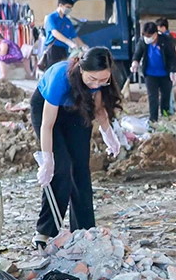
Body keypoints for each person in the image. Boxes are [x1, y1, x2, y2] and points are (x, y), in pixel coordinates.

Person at [32, 47, 122, 248]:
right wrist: (47, 160)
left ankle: (84, 230)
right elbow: (47, 124)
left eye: (103, 80)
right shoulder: (60, 78)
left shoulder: (98, 81)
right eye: (92, 79)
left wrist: (110, 137)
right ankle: (45, 231)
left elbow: (99, 110)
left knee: (80, 167)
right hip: (47, 110)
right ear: (81, 69)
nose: (97, 84)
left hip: (76, 109)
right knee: (61, 167)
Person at [131, 22, 176, 123]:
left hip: (165, 74)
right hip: (150, 74)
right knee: (152, 97)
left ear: (155, 34)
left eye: (149, 36)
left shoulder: (166, 40)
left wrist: (172, 71)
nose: (147, 38)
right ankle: (153, 120)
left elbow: (172, 57)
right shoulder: (143, 41)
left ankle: (165, 118)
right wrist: (135, 63)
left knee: (165, 96)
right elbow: (137, 53)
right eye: (145, 36)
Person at [42, 0, 86, 68]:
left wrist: (84, 46)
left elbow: (74, 36)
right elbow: (55, 33)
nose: (69, 9)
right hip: (53, 48)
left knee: (63, 69)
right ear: (60, 5)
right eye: (67, 7)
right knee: (52, 70)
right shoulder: (52, 17)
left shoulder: (67, 21)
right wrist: (69, 42)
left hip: (63, 50)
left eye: (70, 8)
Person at [156, 18, 176, 115]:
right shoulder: (170, 36)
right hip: (172, 67)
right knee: (169, 89)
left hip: (172, 67)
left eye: (158, 28)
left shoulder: (169, 37)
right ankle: (171, 108)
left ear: (163, 27)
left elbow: (174, 54)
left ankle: (170, 110)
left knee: (168, 89)